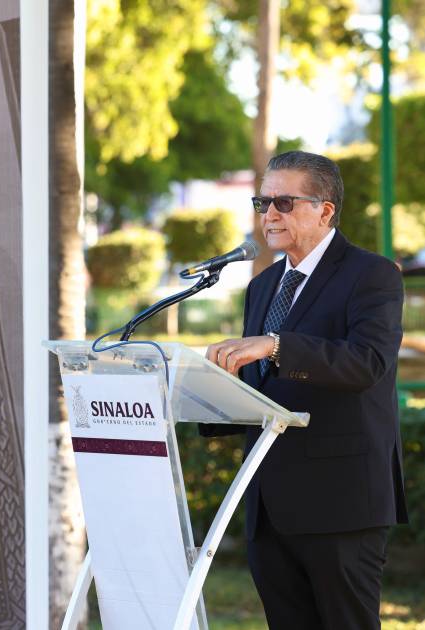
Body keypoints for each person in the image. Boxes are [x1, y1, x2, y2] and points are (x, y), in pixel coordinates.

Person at [203, 150, 407, 630]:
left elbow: (368, 363)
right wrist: (205, 390)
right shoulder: (263, 285)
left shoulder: (372, 275)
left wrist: (277, 345)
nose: (269, 214)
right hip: (269, 507)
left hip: (341, 504)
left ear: (325, 210)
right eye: (263, 202)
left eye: (284, 202)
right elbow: (262, 386)